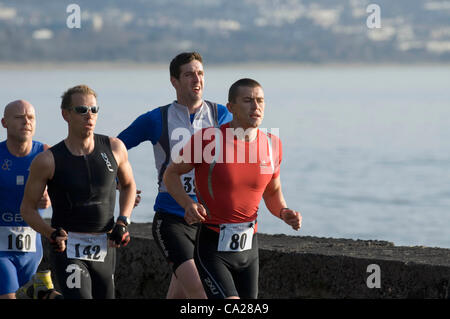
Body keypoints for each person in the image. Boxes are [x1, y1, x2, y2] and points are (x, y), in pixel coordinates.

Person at [163, 78, 302, 299]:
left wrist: (284, 212)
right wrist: (187, 204)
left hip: (249, 250)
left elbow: (272, 191)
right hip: (212, 247)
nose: (256, 107)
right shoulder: (208, 140)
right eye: (247, 101)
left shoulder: (272, 144)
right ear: (231, 107)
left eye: (260, 101)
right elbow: (171, 174)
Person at [117, 52, 232, 299]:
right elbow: (114, 148)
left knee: (179, 293)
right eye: (189, 74)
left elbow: (244, 157)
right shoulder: (155, 119)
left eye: (200, 73)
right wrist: (120, 182)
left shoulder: (221, 115)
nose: (196, 79)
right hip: (171, 219)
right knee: (200, 290)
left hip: (208, 221)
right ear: (174, 81)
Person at [21, 85, 137, 299]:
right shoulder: (48, 160)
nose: (89, 115)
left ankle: (46, 295)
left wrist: (123, 221)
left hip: (104, 245)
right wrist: (50, 233)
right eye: (82, 110)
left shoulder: (114, 148)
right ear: (66, 114)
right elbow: (27, 209)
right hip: (68, 247)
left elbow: (129, 185)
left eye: (94, 109)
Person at [0, 100, 58, 299]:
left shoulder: (44, 153)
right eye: (19, 117)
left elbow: (65, 190)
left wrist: (49, 198)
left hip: (31, 248)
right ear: (4, 123)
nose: (26, 122)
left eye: (31, 117)